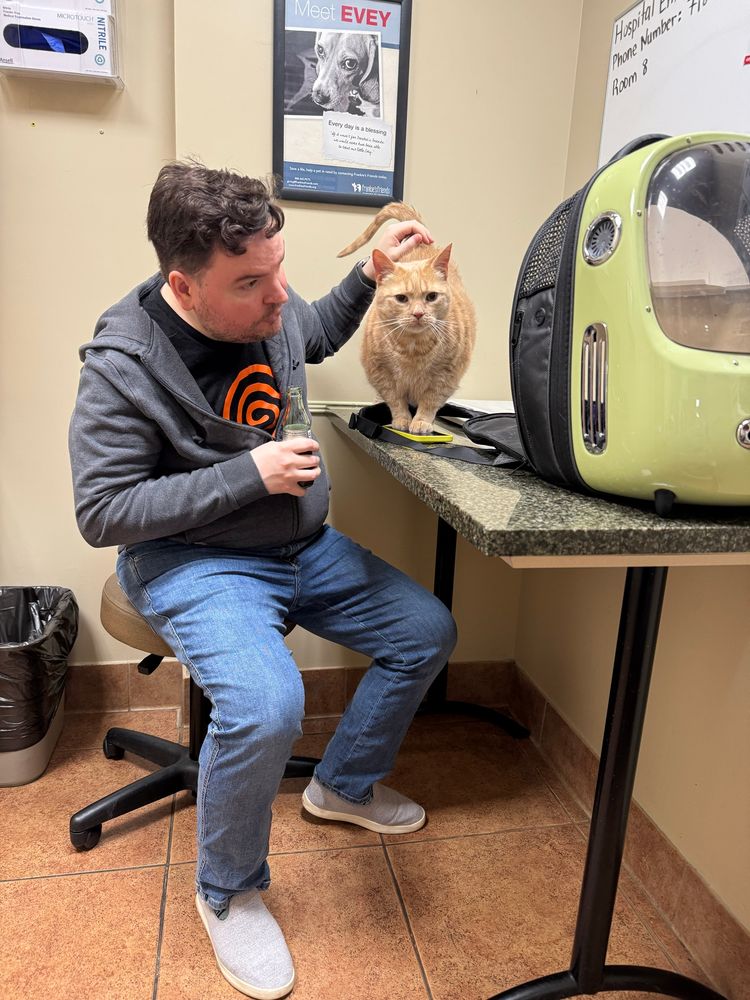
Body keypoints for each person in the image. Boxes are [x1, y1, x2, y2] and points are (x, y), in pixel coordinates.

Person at [68, 162, 457, 1000]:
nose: (279, 295)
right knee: (268, 702)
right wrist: (249, 475)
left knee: (425, 633)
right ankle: (227, 888)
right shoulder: (122, 363)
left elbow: (311, 330)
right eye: (252, 283)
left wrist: (368, 270)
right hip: (195, 561)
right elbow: (102, 512)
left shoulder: (272, 306)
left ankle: (341, 786)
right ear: (185, 284)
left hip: (301, 546)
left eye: (279, 268)